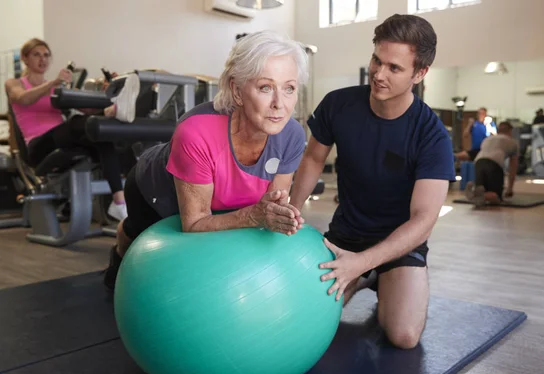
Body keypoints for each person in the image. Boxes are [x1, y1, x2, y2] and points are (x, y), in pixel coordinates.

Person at [289, 14, 455, 349]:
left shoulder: (432, 135)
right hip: (346, 236)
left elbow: (424, 220)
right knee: (306, 320)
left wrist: (363, 263)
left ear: (419, 74)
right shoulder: (339, 103)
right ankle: (367, 276)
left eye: (394, 68)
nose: (378, 74)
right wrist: (291, 213)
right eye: (377, 61)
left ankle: (382, 277)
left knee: (403, 336)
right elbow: (313, 158)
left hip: (399, 246)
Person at [103, 31, 308, 290]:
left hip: (223, 202)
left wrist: (278, 216)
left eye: (289, 88)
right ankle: (119, 249)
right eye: (265, 87)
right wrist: (256, 216)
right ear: (236, 90)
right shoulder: (196, 131)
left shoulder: (292, 136)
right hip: (155, 190)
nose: (280, 103)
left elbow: (269, 208)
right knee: (136, 242)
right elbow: (196, 223)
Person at [5, 38, 139, 221]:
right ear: (25, 58)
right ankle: (111, 112)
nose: (42, 59)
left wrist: (110, 92)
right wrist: (53, 84)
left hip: (61, 137)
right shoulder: (15, 83)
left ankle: (120, 202)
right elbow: (22, 99)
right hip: (38, 147)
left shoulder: (57, 86)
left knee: (101, 133)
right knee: (77, 122)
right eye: (36, 55)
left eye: (46, 55)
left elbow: (87, 110)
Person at [465, 121, 519, 207]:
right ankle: (476, 194)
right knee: (496, 197)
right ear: (510, 131)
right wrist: (510, 189)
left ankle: (474, 192)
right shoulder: (512, 142)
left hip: (478, 162)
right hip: (494, 164)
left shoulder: (487, 139)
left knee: (482, 189)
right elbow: (513, 167)